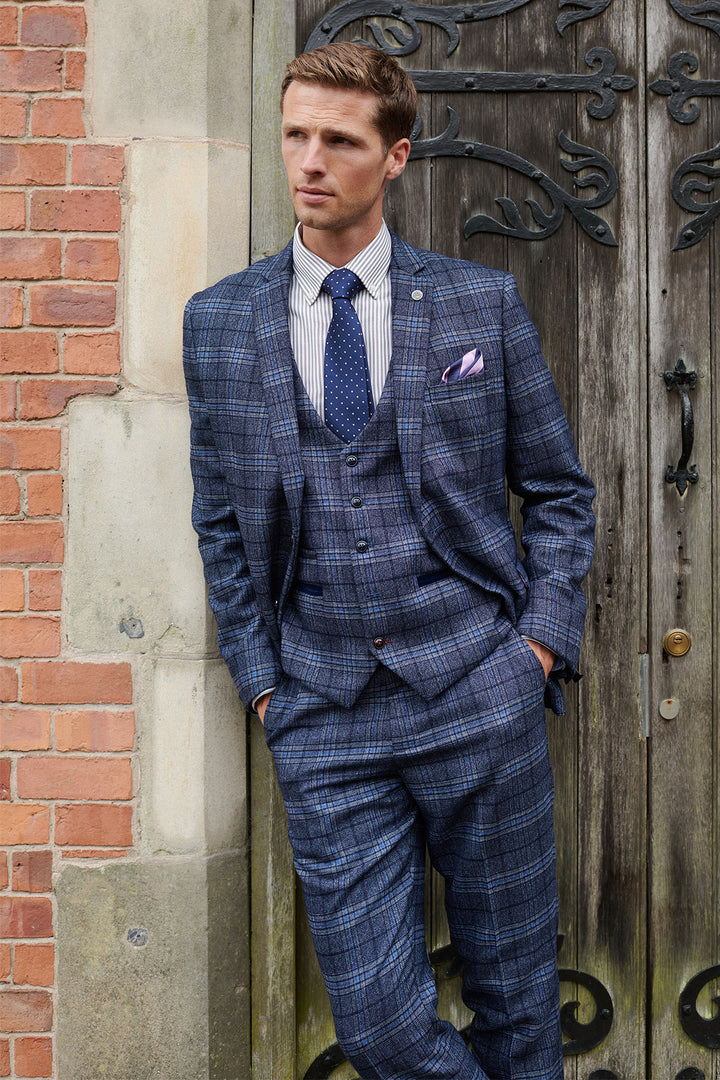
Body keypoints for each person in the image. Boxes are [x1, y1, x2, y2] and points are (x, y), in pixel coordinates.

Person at [183, 40, 595, 1080]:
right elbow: (222, 524)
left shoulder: (476, 307)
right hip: (322, 713)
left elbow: (557, 491)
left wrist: (536, 649)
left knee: (517, 1011)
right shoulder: (220, 324)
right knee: (377, 1029)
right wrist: (265, 683)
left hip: (478, 692)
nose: (309, 161)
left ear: (396, 157)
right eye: (295, 136)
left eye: (339, 140)